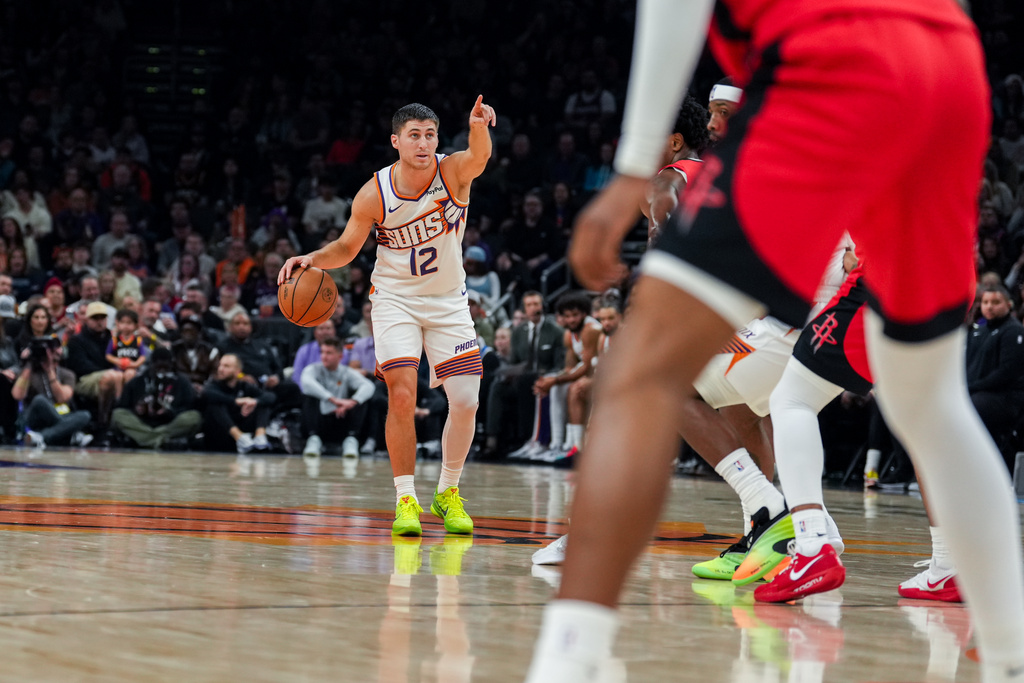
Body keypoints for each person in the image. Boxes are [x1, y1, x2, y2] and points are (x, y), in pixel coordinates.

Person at [524, 2, 1024, 683]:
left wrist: (634, 165)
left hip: (830, 67)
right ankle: (1010, 641)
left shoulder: (698, 158)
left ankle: (570, 658)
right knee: (929, 404)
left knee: (642, 372)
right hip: (947, 62)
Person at [279, 97, 496, 537]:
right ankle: (406, 499)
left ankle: (447, 492)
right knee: (401, 393)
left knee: (468, 401)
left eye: (430, 134)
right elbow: (346, 248)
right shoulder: (374, 192)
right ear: (396, 141)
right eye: (413, 135)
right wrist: (313, 258)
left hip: (449, 302)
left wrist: (477, 127)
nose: (423, 143)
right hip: (395, 299)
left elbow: (481, 156)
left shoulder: (452, 171)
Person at [965, 284, 1024, 468]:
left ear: (1009, 304)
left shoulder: (1013, 331)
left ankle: (979, 467)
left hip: (1004, 397)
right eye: (985, 302)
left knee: (972, 406)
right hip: (978, 392)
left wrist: (970, 388)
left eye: (995, 302)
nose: (989, 306)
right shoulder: (977, 331)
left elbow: (1006, 373)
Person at [110, 347, 201, 449]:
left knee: (194, 417)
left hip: (169, 424)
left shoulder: (182, 382)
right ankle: (159, 441)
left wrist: (171, 412)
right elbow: (123, 406)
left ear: (172, 364)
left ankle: (147, 440)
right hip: (142, 424)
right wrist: (137, 410)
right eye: (158, 366)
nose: (161, 371)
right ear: (151, 364)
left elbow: (190, 406)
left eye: (165, 367)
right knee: (118, 415)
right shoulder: (137, 382)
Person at [12, 334, 92, 448]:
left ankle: (41, 437)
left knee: (85, 415)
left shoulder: (67, 374)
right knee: (40, 400)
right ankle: (70, 433)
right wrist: (29, 363)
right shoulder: (29, 372)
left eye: (53, 347)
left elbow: (62, 398)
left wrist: (49, 370)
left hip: (61, 414)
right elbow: (17, 395)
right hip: (34, 417)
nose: (49, 352)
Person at [300, 337, 375, 458]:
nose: (324, 356)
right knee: (309, 396)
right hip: (320, 420)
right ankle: (313, 439)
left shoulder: (346, 372)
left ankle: (351, 439)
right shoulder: (313, 369)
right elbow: (306, 383)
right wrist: (333, 400)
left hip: (341, 419)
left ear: (340, 356)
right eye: (322, 352)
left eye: (329, 353)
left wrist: (352, 401)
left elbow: (369, 386)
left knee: (362, 399)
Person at [66, 301, 125, 430]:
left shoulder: (113, 338)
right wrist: (109, 370)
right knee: (112, 376)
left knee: (128, 375)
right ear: (87, 319)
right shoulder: (77, 340)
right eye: (95, 318)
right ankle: (104, 421)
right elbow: (81, 366)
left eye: (102, 318)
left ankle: (122, 418)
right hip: (84, 379)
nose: (99, 321)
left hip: (113, 375)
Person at [203, 354, 275, 453]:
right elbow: (207, 394)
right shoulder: (213, 385)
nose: (220, 369)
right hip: (222, 433)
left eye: (226, 366)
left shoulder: (244, 386)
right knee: (216, 404)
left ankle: (260, 436)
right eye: (220, 365)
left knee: (262, 403)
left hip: (243, 425)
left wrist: (254, 401)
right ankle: (240, 438)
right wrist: (236, 401)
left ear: (238, 372)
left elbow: (270, 397)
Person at [171, 313, 219, 397]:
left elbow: (214, 375)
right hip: (179, 390)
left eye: (192, 331)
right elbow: (171, 373)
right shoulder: (173, 350)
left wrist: (205, 387)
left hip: (204, 391)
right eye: (185, 331)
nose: (188, 334)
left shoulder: (210, 351)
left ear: (199, 333)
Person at [105, 308, 147, 383]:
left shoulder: (138, 340)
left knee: (130, 373)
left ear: (136, 325)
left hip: (133, 368)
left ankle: (128, 394)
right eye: (123, 322)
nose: (125, 326)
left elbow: (143, 356)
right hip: (118, 368)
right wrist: (118, 361)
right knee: (118, 376)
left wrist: (135, 364)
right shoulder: (115, 339)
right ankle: (118, 394)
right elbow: (108, 355)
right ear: (117, 323)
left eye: (129, 323)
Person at [291, 319, 336, 387]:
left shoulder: (343, 351)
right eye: (321, 328)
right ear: (315, 333)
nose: (325, 332)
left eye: (328, 328)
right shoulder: (304, 350)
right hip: (308, 393)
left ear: (334, 331)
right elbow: (297, 376)